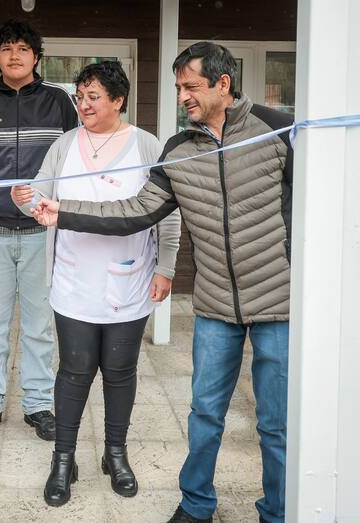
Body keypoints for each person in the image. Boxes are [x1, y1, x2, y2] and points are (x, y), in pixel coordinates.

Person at [30, 42, 293, 523]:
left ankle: (277, 512)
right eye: (178, 88)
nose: (183, 96)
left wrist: (297, 265)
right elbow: (137, 211)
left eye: (191, 86)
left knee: (276, 422)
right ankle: (196, 506)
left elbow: (311, 201)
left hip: (278, 300)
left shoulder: (278, 130)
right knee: (205, 413)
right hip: (215, 302)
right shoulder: (178, 149)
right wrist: (62, 212)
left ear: (223, 84)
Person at [11, 61, 181, 505]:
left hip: (131, 278)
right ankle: (63, 458)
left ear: (118, 100)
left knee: (121, 371)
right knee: (74, 370)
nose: (83, 105)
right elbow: (40, 196)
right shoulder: (65, 144)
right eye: (79, 97)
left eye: (93, 97)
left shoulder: (146, 145)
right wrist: (24, 198)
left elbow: (168, 212)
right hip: (73, 279)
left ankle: (115, 453)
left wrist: (165, 267)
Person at [0, 19, 78, 443]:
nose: (14, 55)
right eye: (7, 48)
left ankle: (38, 405)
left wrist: (42, 198)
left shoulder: (60, 102)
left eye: (23, 49)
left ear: (36, 57)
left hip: (42, 232)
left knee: (39, 325)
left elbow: (72, 158)